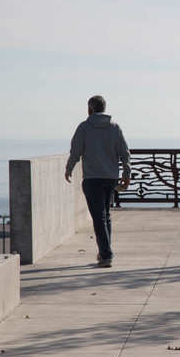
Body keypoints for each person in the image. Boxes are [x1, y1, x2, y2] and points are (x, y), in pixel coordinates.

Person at [65, 95, 131, 268]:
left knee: (98, 217)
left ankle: (106, 254)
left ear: (90, 108)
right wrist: (126, 172)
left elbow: (75, 151)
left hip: (92, 178)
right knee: (105, 216)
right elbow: (125, 152)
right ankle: (104, 253)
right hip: (110, 178)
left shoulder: (84, 127)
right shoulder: (114, 127)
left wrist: (69, 168)